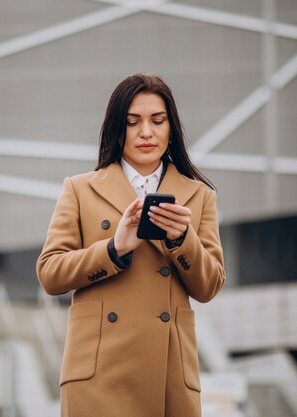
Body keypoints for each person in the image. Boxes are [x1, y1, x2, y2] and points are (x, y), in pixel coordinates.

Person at [36, 73, 225, 417]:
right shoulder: (80, 189)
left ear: (172, 128)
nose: (147, 132)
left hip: (168, 375)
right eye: (133, 122)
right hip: (98, 377)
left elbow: (210, 285)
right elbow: (50, 273)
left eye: (158, 120)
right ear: (116, 129)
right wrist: (113, 249)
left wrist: (182, 239)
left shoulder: (199, 196)